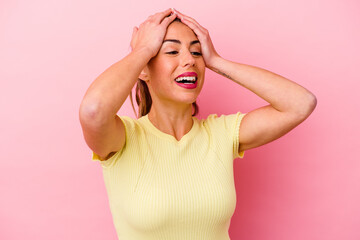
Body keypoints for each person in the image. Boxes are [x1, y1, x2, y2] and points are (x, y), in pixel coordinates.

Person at [79, 8, 316, 240]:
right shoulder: (122, 139)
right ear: (144, 68)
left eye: (196, 52)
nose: (189, 61)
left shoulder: (221, 134)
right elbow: (93, 111)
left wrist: (216, 61)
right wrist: (142, 50)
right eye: (172, 51)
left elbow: (300, 103)